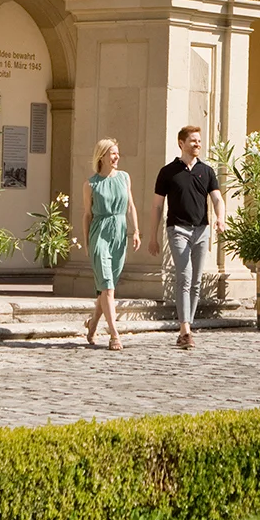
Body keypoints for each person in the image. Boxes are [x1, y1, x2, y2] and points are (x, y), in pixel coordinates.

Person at [149, 124, 223, 350]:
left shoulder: (207, 171)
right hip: (178, 230)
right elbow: (157, 207)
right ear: (181, 143)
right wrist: (153, 235)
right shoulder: (168, 172)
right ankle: (185, 330)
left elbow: (217, 199)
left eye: (199, 141)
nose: (197, 144)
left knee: (196, 282)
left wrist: (221, 218)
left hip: (201, 230)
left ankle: (187, 327)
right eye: (193, 141)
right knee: (185, 277)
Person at [75, 137, 139, 350]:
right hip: (99, 234)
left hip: (119, 233)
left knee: (106, 288)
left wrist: (136, 231)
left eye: (117, 153)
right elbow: (87, 215)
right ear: (101, 156)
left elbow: (130, 206)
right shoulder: (90, 184)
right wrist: (86, 242)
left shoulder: (124, 178)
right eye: (112, 153)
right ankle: (114, 335)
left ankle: (93, 324)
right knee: (108, 287)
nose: (116, 156)